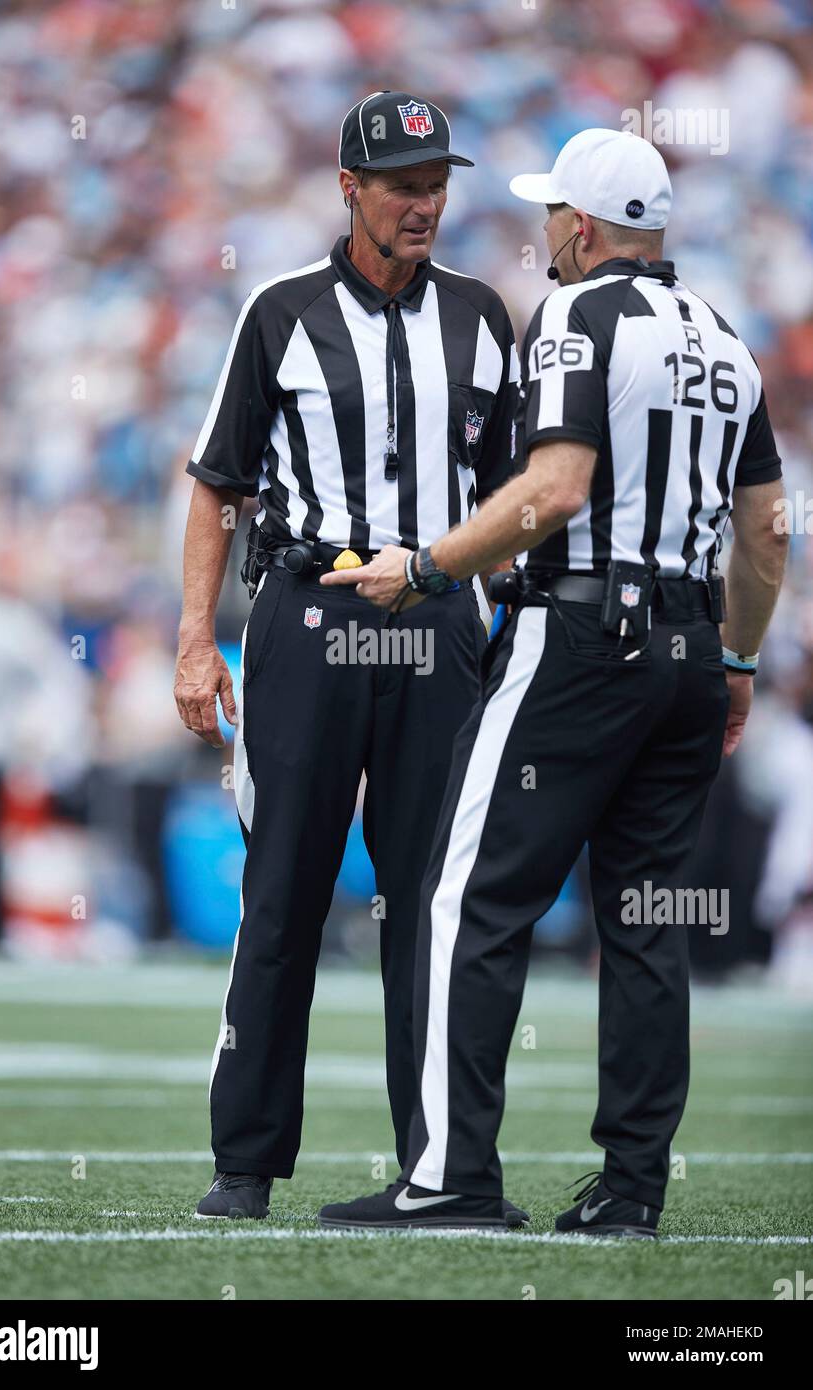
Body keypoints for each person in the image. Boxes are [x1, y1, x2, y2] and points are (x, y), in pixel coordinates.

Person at [318, 128, 787, 1235]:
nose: (544, 238)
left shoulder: (576, 316)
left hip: (581, 636)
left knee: (466, 897)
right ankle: (629, 1190)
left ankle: (449, 1177)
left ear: (577, 227)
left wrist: (429, 563)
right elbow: (766, 532)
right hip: (682, 646)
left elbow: (557, 488)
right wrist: (733, 658)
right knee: (643, 920)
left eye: (549, 220)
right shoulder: (726, 339)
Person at [175, 91, 525, 1223]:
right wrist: (193, 638)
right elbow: (216, 486)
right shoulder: (278, 312)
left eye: (437, 183)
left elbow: (519, 496)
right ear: (349, 188)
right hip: (310, 606)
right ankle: (245, 1160)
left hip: (433, 615)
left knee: (431, 899)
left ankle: (434, 1164)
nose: (424, 204)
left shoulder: (482, 318)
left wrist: (505, 618)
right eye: (402, 184)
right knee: (282, 886)